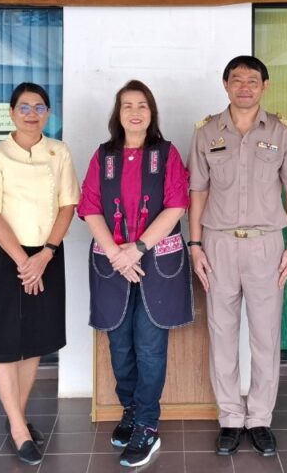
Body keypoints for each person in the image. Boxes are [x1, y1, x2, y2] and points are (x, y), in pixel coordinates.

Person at [187, 55, 287, 457]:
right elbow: (198, 192)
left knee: (265, 336)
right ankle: (229, 418)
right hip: (218, 244)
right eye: (236, 80)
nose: (244, 87)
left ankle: (259, 418)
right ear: (225, 84)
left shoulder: (281, 132)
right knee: (222, 334)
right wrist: (195, 245)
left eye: (252, 81)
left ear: (264, 86)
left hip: (265, 245)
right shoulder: (206, 132)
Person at [79, 80, 193, 468]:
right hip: (113, 264)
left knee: (149, 346)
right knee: (120, 346)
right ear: (118, 113)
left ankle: (147, 424)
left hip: (155, 262)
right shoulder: (104, 155)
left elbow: (177, 205)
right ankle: (129, 409)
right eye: (127, 105)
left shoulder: (166, 153)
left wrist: (137, 248)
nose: (135, 112)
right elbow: (89, 207)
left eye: (142, 105)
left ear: (151, 112)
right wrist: (117, 253)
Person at [0, 82, 80, 465]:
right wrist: (23, 261)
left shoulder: (59, 151)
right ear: (11, 112)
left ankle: (16, 416)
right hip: (8, 256)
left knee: (35, 338)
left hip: (47, 254)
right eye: (24, 107)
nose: (31, 113)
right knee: (5, 341)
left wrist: (45, 254)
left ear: (48, 113)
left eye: (39, 107)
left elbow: (68, 205)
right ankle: (19, 429)